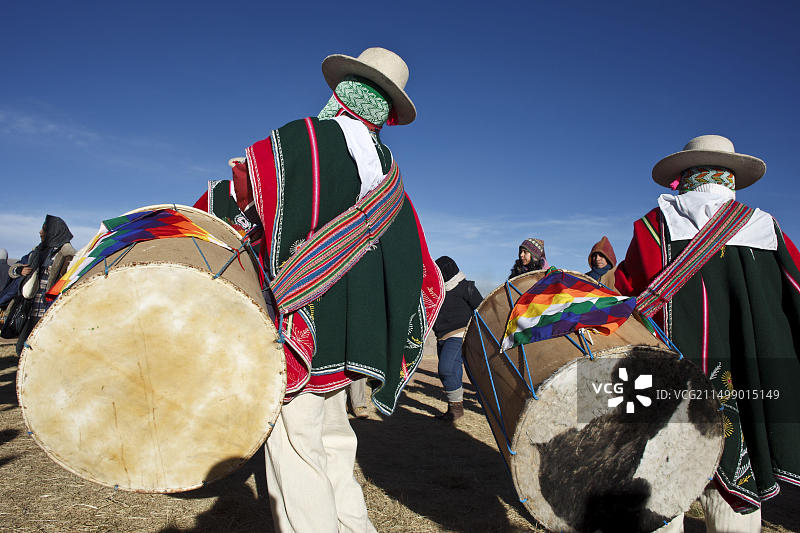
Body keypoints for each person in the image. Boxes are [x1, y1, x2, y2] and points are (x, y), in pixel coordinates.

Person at [208, 48, 444, 532]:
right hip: (354, 343)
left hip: (304, 325)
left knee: (295, 445)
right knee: (336, 440)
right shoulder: (390, 173)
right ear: (386, 112)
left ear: (340, 92)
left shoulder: (302, 141)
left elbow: (245, 196)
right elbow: (419, 269)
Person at [615, 135, 800, 532]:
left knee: (661, 484)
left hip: (665, 381)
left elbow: (626, 291)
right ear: (730, 177)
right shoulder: (766, 227)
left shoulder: (653, 226)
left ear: (685, 175)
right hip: (747, 380)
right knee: (735, 487)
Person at [8, 216, 75, 355]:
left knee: (45, 350)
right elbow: (14, 268)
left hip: (50, 311)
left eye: (44, 228)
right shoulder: (37, 252)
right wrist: (19, 270)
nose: (40, 232)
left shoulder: (69, 256)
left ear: (54, 231)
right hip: (30, 309)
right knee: (22, 348)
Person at [431, 256, 483, 422]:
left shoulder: (465, 287)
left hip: (459, 335)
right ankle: (455, 410)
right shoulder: (437, 291)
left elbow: (481, 308)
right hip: (441, 337)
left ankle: (460, 407)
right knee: (453, 372)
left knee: (445, 369)